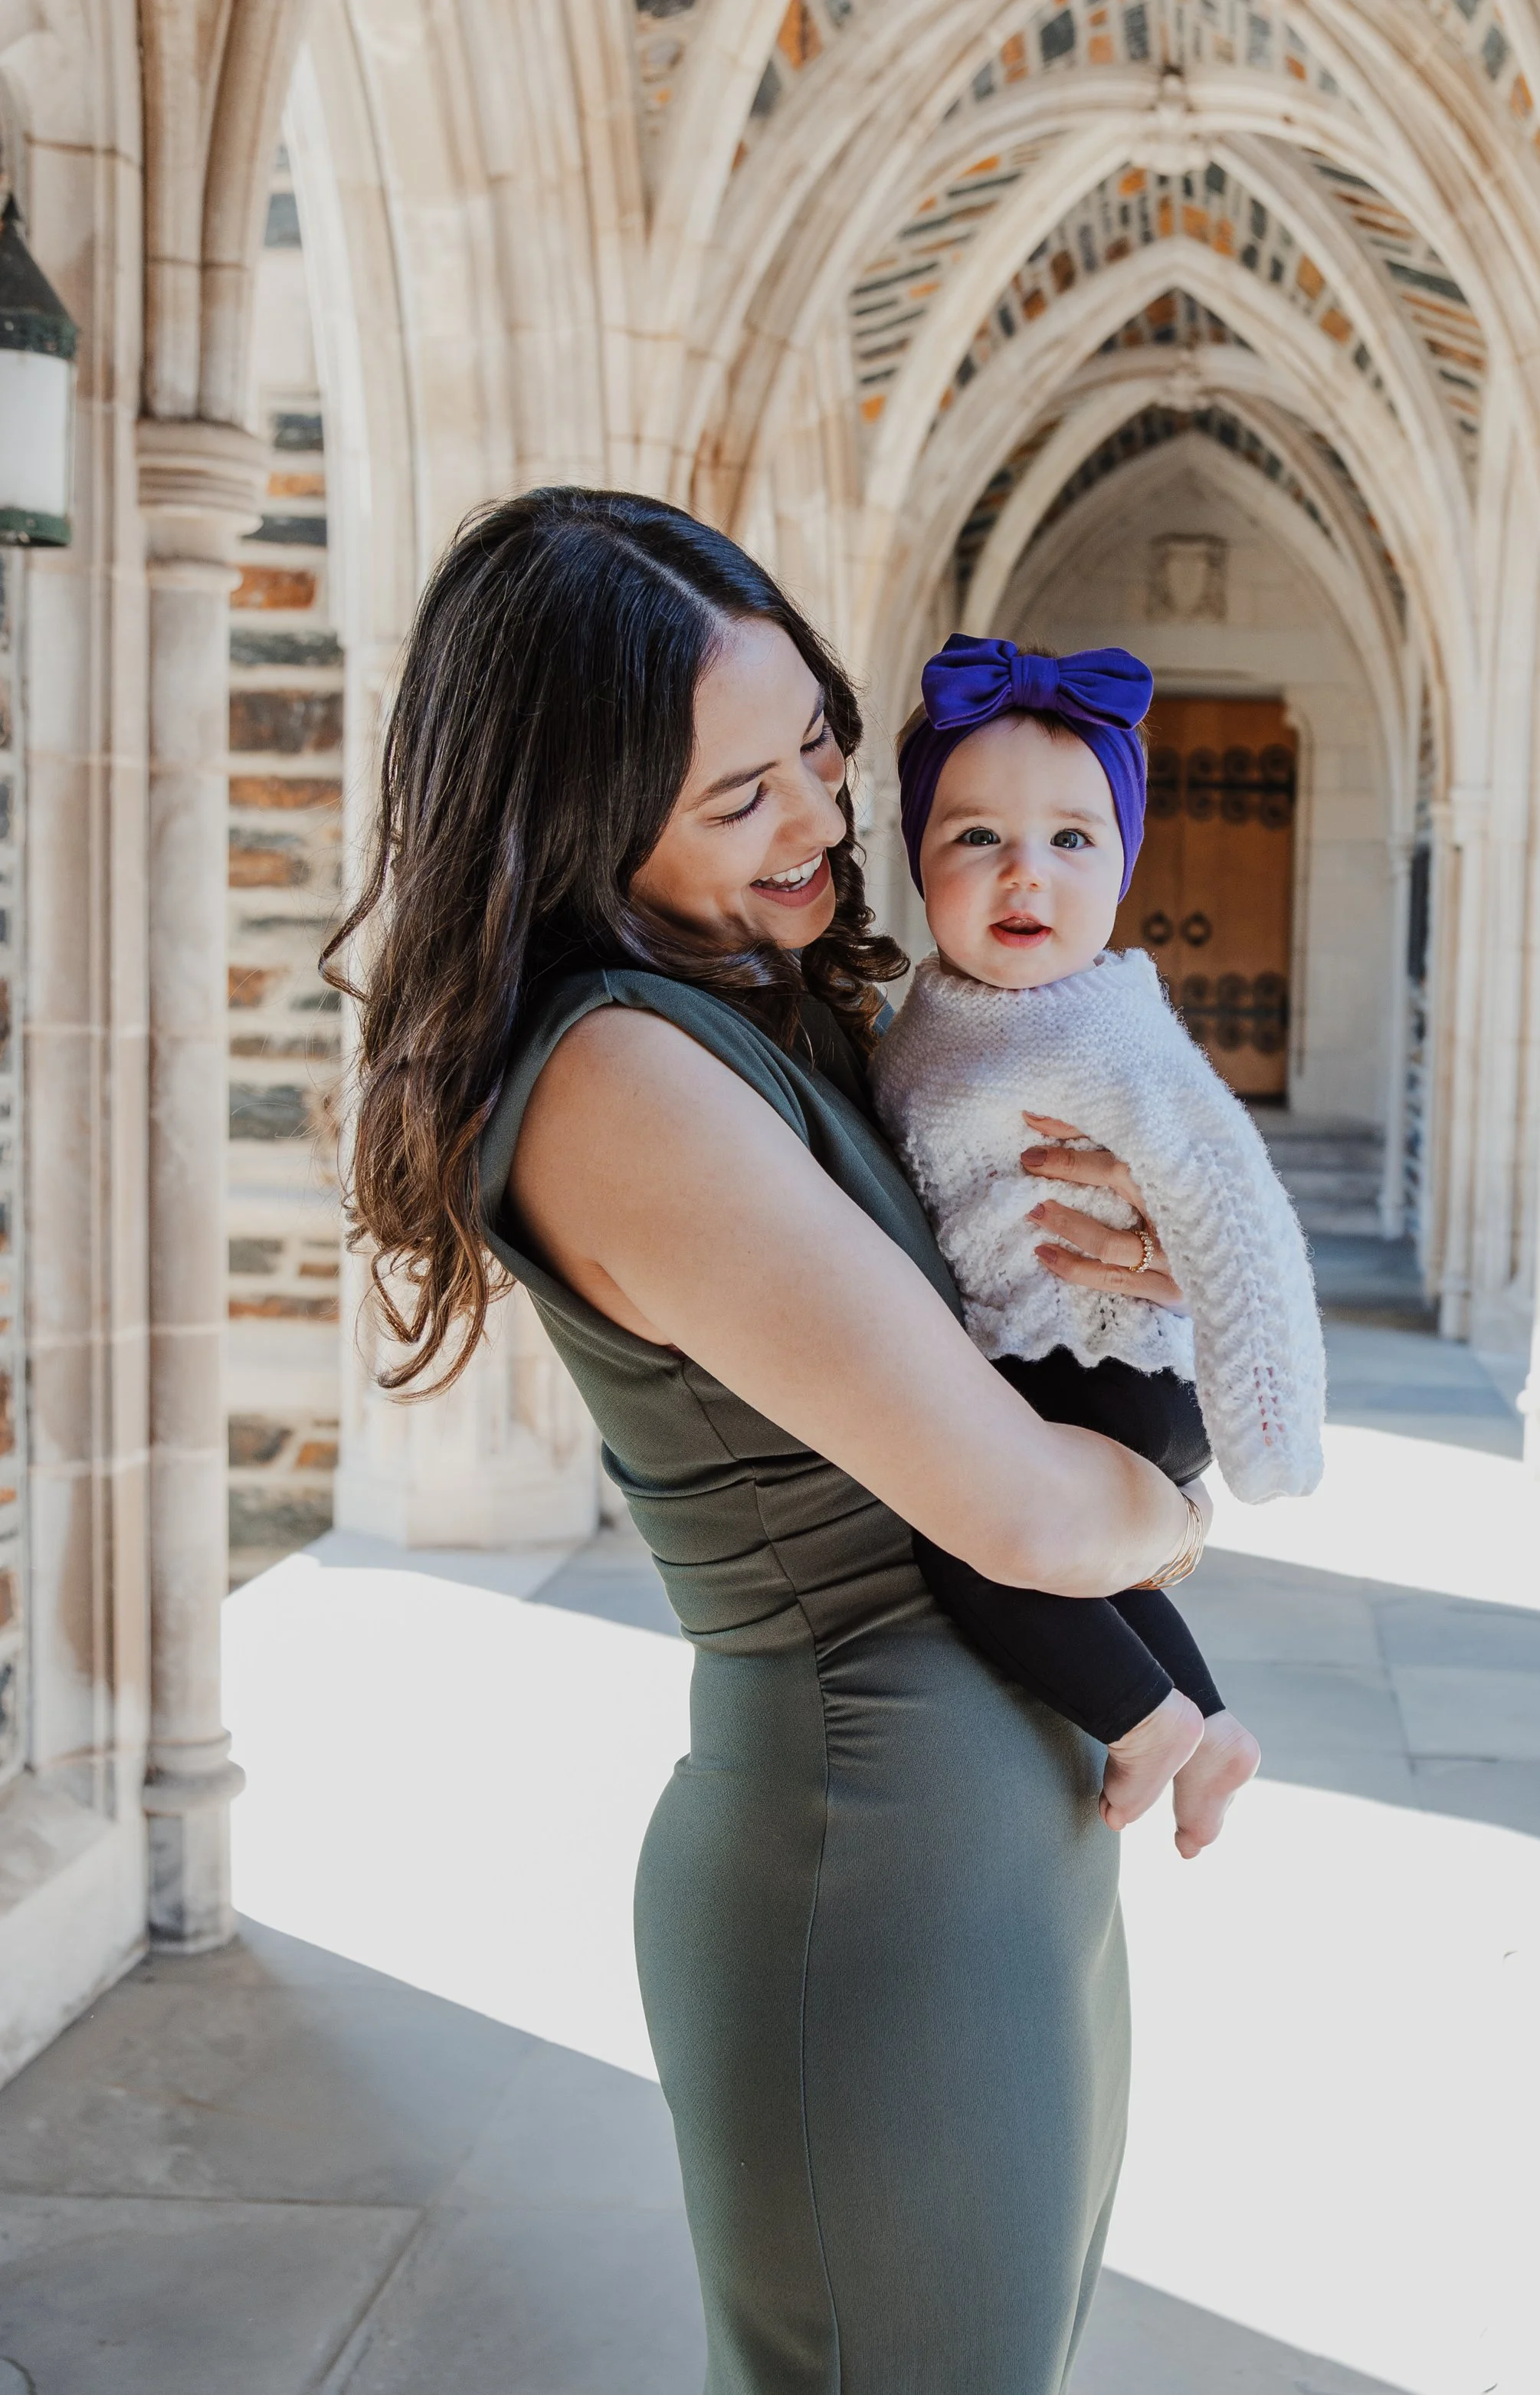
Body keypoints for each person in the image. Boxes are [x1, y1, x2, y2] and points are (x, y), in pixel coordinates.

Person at [324, 488, 1215, 2395]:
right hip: (875, 1865)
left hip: (993, 1844)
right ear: (577, 830)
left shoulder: (747, 1001)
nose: (823, 815)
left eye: (814, 736)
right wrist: (1178, 1490)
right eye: (741, 798)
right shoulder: (622, 1073)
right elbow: (1029, 1509)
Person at [872, 636, 1326, 1859]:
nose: (1027, 874)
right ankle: (1213, 1727)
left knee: (969, 1532)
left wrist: (1267, 1421)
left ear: (1125, 865)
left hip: (1106, 1363)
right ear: (915, 860)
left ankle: (1143, 1722)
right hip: (1042, 1358)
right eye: (977, 837)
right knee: (1091, 1572)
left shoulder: (1104, 1031)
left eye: (1073, 840)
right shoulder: (938, 1011)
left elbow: (1236, 1206)